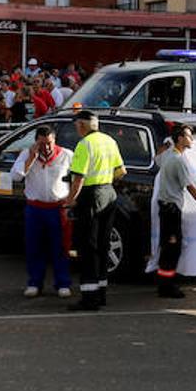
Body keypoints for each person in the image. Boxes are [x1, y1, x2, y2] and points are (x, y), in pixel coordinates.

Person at [63, 110, 125, 311]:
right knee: (102, 245)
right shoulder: (110, 141)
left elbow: (79, 178)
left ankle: (89, 298)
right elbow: (121, 171)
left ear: (82, 125)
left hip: (91, 196)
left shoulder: (84, 145)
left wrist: (70, 201)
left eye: (76, 125)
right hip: (109, 193)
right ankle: (101, 294)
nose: (76, 128)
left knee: (88, 247)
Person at [153, 124, 196, 299]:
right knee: (172, 247)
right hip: (171, 210)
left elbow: (156, 158)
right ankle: (167, 287)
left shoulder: (168, 154)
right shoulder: (178, 160)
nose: (192, 139)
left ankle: (163, 284)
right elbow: (190, 186)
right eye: (189, 136)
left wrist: (164, 146)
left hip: (165, 207)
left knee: (167, 246)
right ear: (180, 138)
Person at [11, 125, 75, 299]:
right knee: (34, 247)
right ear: (35, 143)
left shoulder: (67, 155)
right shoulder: (27, 154)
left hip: (58, 208)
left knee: (60, 247)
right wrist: (31, 157)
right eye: (42, 144)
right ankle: (34, 282)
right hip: (35, 208)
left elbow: (78, 178)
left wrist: (72, 201)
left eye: (49, 143)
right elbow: (16, 176)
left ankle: (62, 283)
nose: (46, 148)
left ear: (54, 141)